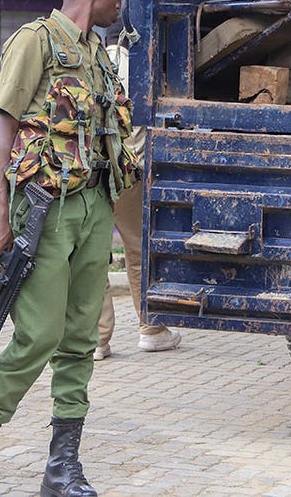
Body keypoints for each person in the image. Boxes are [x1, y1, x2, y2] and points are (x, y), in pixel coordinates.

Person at [0, 0, 139, 497]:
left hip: (94, 203)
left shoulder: (98, 52)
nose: (120, 4)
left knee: (78, 339)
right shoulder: (35, 41)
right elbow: (2, 130)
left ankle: (61, 469)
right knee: (39, 336)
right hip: (43, 209)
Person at [95, 41, 182, 361]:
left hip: (90, 169)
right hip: (128, 171)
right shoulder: (144, 62)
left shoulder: (91, 57)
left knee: (92, 254)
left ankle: (97, 339)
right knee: (138, 249)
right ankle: (151, 329)